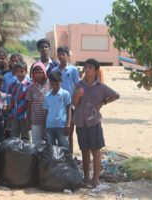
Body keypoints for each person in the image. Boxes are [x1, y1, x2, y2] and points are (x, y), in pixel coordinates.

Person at [72, 58, 119, 188]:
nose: (87, 70)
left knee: (96, 151)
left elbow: (116, 95)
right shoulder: (79, 85)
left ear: (96, 71)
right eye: (85, 67)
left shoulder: (101, 87)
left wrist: (102, 103)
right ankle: (86, 177)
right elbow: (74, 104)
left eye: (90, 68)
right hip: (81, 122)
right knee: (84, 151)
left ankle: (95, 178)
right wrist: (77, 96)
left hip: (94, 122)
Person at [52, 45, 80, 154]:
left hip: (69, 104)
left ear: (67, 56)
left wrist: (75, 101)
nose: (61, 57)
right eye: (59, 55)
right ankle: (59, 155)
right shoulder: (54, 70)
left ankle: (70, 156)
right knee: (58, 131)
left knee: (69, 131)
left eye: (63, 54)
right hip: (57, 105)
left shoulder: (73, 70)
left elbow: (77, 85)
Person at [43, 71, 71, 149]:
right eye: (53, 84)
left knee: (64, 148)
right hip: (49, 126)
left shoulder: (65, 94)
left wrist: (68, 125)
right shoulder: (47, 96)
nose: (55, 86)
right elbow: (45, 112)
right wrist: (44, 127)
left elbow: (69, 110)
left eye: (57, 84)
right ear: (50, 83)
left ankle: (65, 161)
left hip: (62, 126)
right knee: (51, 149)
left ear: (61, 82)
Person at [26, 61, 50, 145]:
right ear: (32, 74)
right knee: (36, 142)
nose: (39, 75)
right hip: (35, 119)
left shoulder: (50, 85)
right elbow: (29, 105)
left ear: (44, 72)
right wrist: (28, 119)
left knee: (47, 141)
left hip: (48, 119)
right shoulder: (30, 88)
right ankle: (37, 158)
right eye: (36, 73)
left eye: (41, 72)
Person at [7, 61, 31, 140]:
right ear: (15, 72)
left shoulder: (29, 85)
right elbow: (9, 99)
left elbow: (29, 102)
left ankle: (26, 152)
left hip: (25, 116)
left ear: (26, 72)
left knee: (25, 137)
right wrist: (9, 108)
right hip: (14, 115)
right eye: (17, 71)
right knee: (14, 137)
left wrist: (28, 116)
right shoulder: (12, 85)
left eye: (22, 71)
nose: (20, 74)